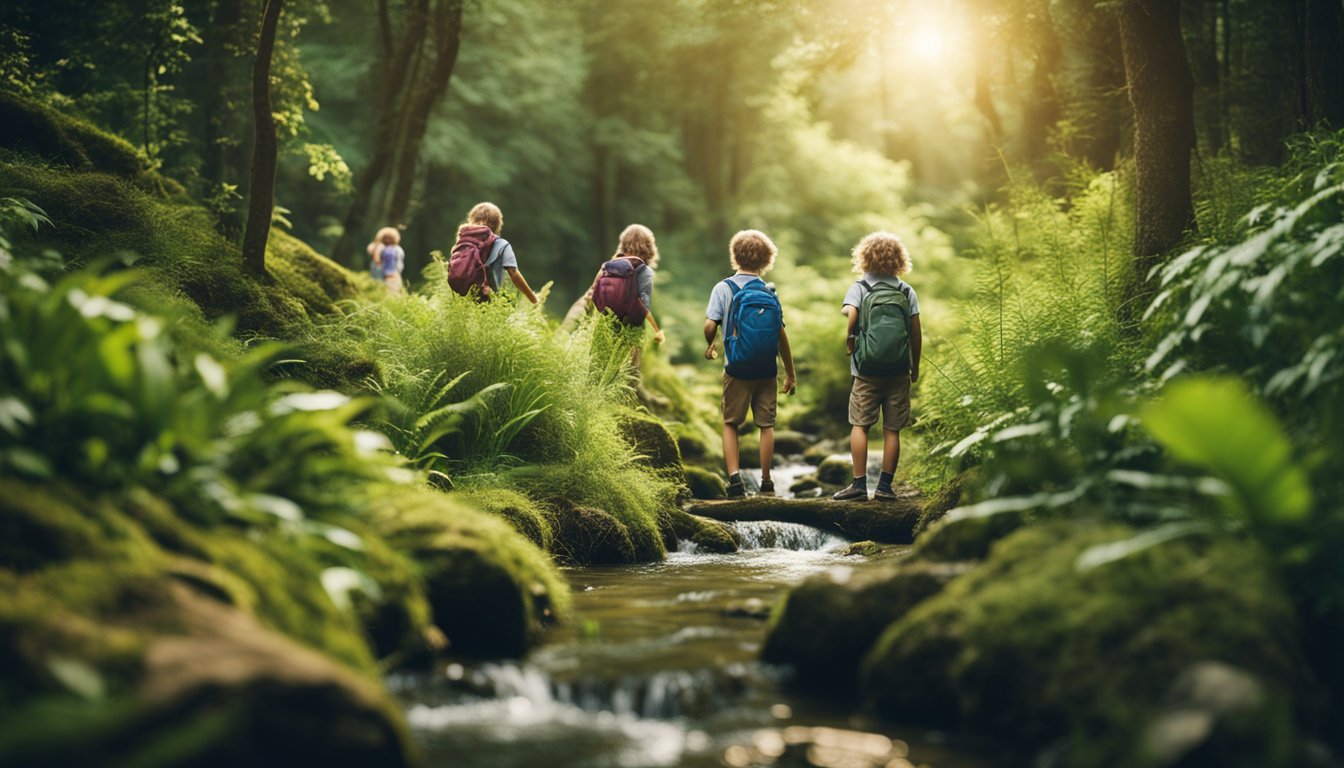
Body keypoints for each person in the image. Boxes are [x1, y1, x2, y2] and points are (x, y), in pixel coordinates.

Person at [703, 229, 797, 499]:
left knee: (731, 423)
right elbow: (781, 335)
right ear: (767, 260)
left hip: (736, 369)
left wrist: (710, 343)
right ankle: (767, 482)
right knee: (766, 426)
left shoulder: (724, 288)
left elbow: (711, 324)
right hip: (767, 370)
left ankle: (735, 481)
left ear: (735, 256)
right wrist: (789, 373)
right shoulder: (770, 292)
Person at [832, 232, 922, 502]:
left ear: (865, 257)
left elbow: (852, 314)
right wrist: (913, 368)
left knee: (860, 425)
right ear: (898, 260)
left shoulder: (859, 287)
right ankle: (885, 486)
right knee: (891, 429)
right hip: (898, 371)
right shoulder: (906, 291)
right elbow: (916, 333)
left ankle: (859, 485)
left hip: (865, 370)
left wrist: (850, 338)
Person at [588, 223, 666, 369]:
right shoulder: (645, 271)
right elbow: (644, 306)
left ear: (623, 244)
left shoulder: (609, 265)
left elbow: (594, 291)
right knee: (627, 373)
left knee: (599, 368)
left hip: (604, 325)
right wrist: (655, 330)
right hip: (631, 330)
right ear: (649, 247)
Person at [448, 202, 539, 303]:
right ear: (497, 224)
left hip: (464, 301)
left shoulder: (461, 243)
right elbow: (513, 273)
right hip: (491, 301)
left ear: (472, 219)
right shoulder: (502, 244)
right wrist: (533, 299)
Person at [367, 226, 405, 294]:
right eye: (386, 237)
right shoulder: (380, 247)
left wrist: (389, 273)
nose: (388, 240)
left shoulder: (391, 249)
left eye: (390, 238)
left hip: (389, 274)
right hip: (386, 274)